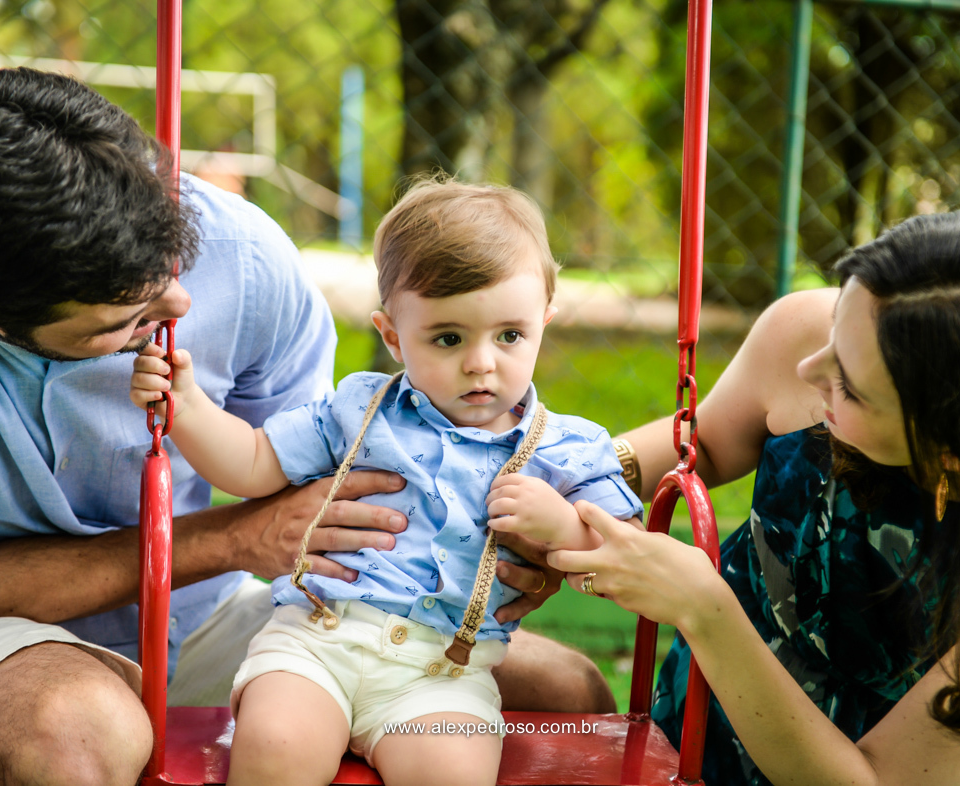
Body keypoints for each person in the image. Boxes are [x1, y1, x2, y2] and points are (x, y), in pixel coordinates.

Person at [0, 68, 608, 786]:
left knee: (565, 692)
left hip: (204, 615)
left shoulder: (242, 251)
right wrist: (234, 539)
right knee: (74, 736)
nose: (178, 304)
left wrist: (521, 548)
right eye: (127, 322)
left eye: (172, 266)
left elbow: (302, 482)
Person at [130, 178, 645, 786]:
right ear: (393, 336)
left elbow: (629, 555)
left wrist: (563, 527)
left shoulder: (568, 450)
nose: (482, 361)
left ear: (544, 323)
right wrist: (187, 407)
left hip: (442, 674)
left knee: (453, 773)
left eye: (510, 335)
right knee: (276, 746)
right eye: (448, 338)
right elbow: (252, 462)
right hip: (316, 638)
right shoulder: (358, 410)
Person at [550, 209, 960, 786]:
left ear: (952, 450)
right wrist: (576, 476)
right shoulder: (817, 332)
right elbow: (705, 440)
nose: (809, 367)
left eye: (849, 385)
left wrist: (705, 608)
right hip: (703, 729)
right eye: (835, 329)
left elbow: (871, 781)